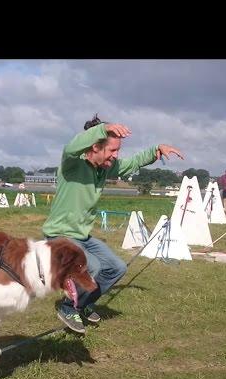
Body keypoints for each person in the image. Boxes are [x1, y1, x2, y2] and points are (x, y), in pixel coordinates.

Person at [42, 114, 184, 333]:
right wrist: (104, 128)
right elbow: (71, 147)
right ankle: (69, 307)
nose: (116, 156)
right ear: (95, 147)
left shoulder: (105, 167)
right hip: (60, 236)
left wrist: (156, 150)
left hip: (82, 237)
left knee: (116, 268)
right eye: (112, 150)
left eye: (118, 151)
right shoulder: (72, 165)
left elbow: (133, 163)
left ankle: (85, 303)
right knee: (94, 267)